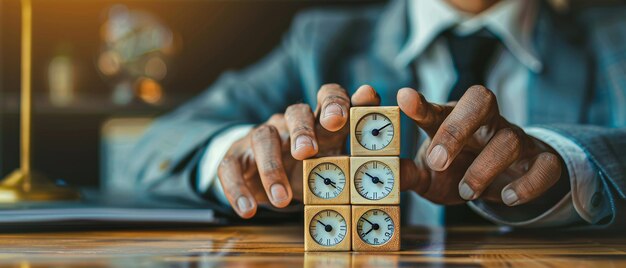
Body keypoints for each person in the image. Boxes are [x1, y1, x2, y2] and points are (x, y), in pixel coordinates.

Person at [126, 0, 626, 229]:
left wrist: (568, 163)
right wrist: (241, 158)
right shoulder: (319, 40)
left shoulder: (615, 38)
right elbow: (149, 149)